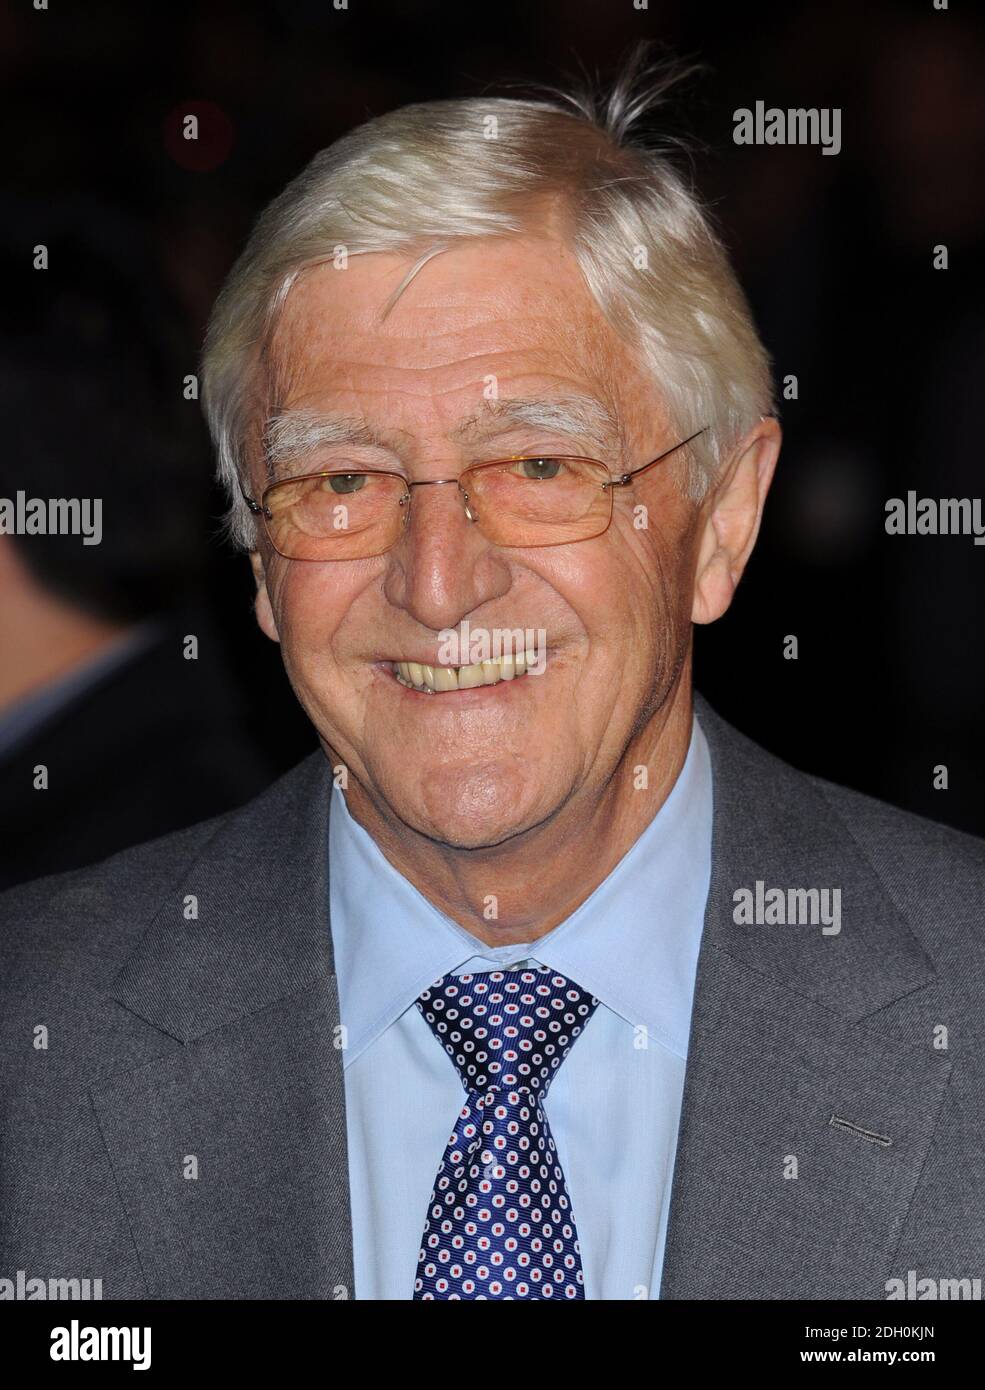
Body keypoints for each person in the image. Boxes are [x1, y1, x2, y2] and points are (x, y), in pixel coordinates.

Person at [2, 47, 982, 1301]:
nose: (438, 582)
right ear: (255, 557)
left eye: (537, 467)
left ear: (720, 522)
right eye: (341, 481)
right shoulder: (33, 1040)